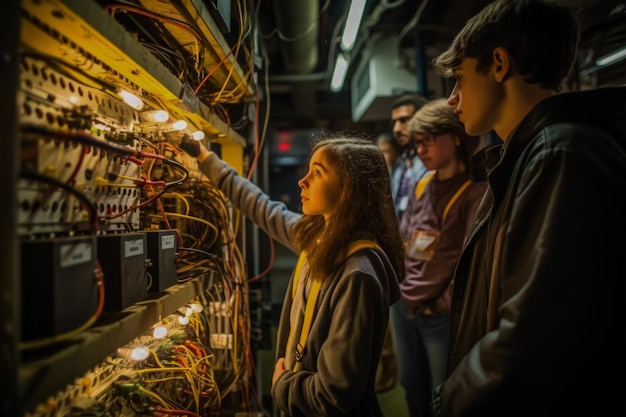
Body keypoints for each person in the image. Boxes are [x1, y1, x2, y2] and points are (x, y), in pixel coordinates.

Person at [429, 1, 626, 416]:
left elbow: (532, 334)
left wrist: (448, 401)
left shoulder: (560, 154)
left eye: (460, 78)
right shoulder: (531, 156)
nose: (451, 98)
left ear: (499, 64)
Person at [178, 134, 406, 416]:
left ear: (349, 188)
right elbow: (258, 205)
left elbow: (334, 393)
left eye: (317, 173)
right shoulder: (317, 236)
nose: (303, 180)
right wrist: (203, 156)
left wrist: (282, 385)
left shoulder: (358, 274)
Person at [392, 98, 488, 417]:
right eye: (418, 142)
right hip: (405, 305)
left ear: (456, 137)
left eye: (428, 140)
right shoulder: (422, 184)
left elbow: (469, 261)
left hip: (438, 315)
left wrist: (443, 303)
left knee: (443, 395)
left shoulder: (475, 193)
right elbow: (407, 240)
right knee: (412, 387)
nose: (421, 149)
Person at [374, 132, 401, 393]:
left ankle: (390, 369)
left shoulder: (403, 174)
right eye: (379, 150)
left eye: (387, 150)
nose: (384, 155)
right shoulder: (379, 178)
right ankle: (387, 368)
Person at [390, 94, 429, 220]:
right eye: (394, 122)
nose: (396, 129)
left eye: (404, 120)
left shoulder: (431, 160)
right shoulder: (401, 162)